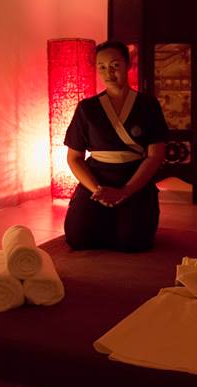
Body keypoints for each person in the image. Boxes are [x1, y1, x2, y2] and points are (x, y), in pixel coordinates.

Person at [63, 41, 168, 251]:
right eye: (101, 67)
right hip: (97, 179)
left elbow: (155, 156)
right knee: (78, 238)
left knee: (133, 242)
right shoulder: (87, 108)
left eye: (115, 65)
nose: (108, 73)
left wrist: (125, 191)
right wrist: (97, 190)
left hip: (134, 178)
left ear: (128, 65)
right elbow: (74, 158)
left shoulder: (148, 105)